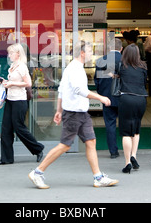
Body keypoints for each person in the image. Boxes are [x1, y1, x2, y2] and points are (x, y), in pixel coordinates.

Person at [28, 41, 119, 189]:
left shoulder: (72, 68)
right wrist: (101, 97)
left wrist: (58, 110)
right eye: (89, 51)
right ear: (82, 53)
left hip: (80, 113)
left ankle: (98, 177)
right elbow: (79, 90)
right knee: (64, 145)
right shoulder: (75, 69)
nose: (91, 54)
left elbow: (62, 90)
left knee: (91, 142)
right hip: (74, 113)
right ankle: (37, 172)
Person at [0, 43, 44, 165]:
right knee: (6, 129)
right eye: (9, 53)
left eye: (11, 53)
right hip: (10, 100)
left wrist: (12, 84)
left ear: (18, 54)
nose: (9, 55)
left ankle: (38, 149)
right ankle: (6, 158)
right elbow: (14, 81)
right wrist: (6, 82)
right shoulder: (12, 66)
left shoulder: (22, 67)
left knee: (19, 128)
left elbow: (28, 83)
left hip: (19, 101)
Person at [116, 44, 148, 173]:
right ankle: (134, 155)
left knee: (126, 133)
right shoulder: (143, 67)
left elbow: (117, 79)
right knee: (136, 129)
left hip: (127, 98)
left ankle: (127, 162)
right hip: (141, 99)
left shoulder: (122, 66)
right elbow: (145, 81)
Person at [94, 38, 122, 158]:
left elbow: (97, 81)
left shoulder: (101, 61)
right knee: (126, 124)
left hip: (107, 97)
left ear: (109, 48)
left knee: (110, 124)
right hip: (123, 97)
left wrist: (101, 94)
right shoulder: (126, 60)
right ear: (121, 48)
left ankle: (113, 151)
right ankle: (129, 151)